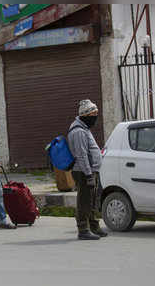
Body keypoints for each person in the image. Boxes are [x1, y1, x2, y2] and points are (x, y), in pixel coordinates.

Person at [68, 99, 108, 240]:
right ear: (85, 115)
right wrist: (89, 174)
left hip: (90, 171)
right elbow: (82, 155)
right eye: (94, 114)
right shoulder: (78, 131)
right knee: (84, 201)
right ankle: (83, 229)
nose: (96, 116)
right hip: (84, 171)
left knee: (92, 201)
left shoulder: (84, 129)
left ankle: (94, 226)